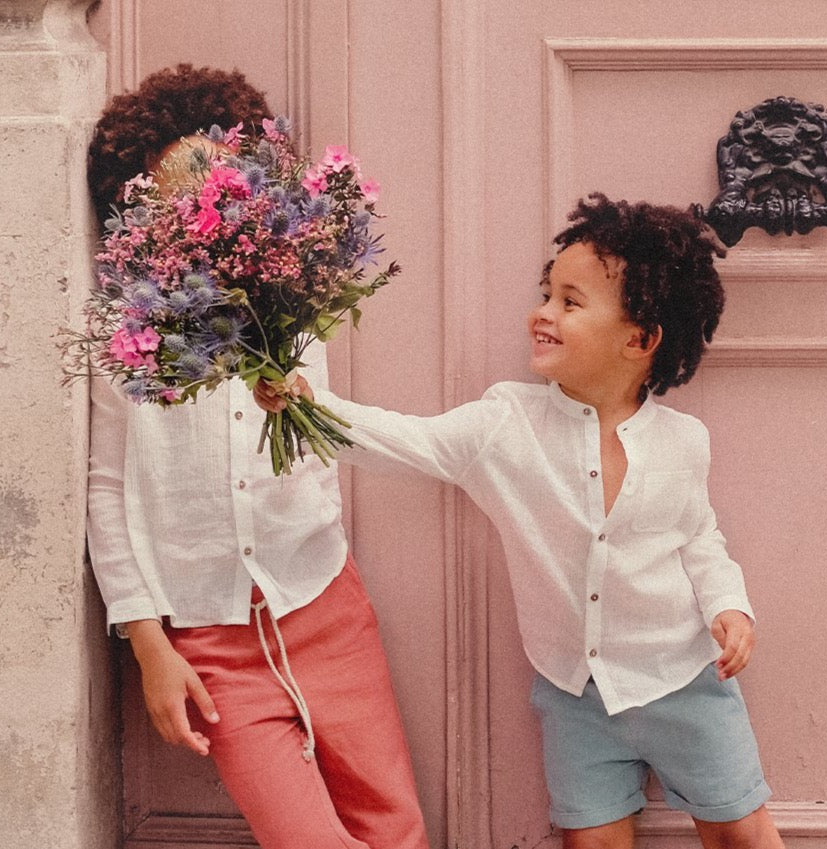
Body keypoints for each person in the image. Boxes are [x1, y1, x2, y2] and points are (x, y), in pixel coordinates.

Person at [256, 194, 786, 849]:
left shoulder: (684, 441)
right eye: (546, 293)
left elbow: (700, 539)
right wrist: (309, 408)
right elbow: (403, 438)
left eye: (570, 301)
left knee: (741, 829)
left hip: (684, 680)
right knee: (589, 840)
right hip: (575, 695)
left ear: (640, 339)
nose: (542, 312)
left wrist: (729, 606)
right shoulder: (504, 423)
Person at [86, 64, 430, 849]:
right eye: (173, 191)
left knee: (396, 829)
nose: (202, 206)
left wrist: (296, 399)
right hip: (209, 645)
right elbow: (107, 492)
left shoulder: (292, 304)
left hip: (324, 605)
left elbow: (324, 435)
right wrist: (150, 647)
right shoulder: (123, 333)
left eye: (217, 182)